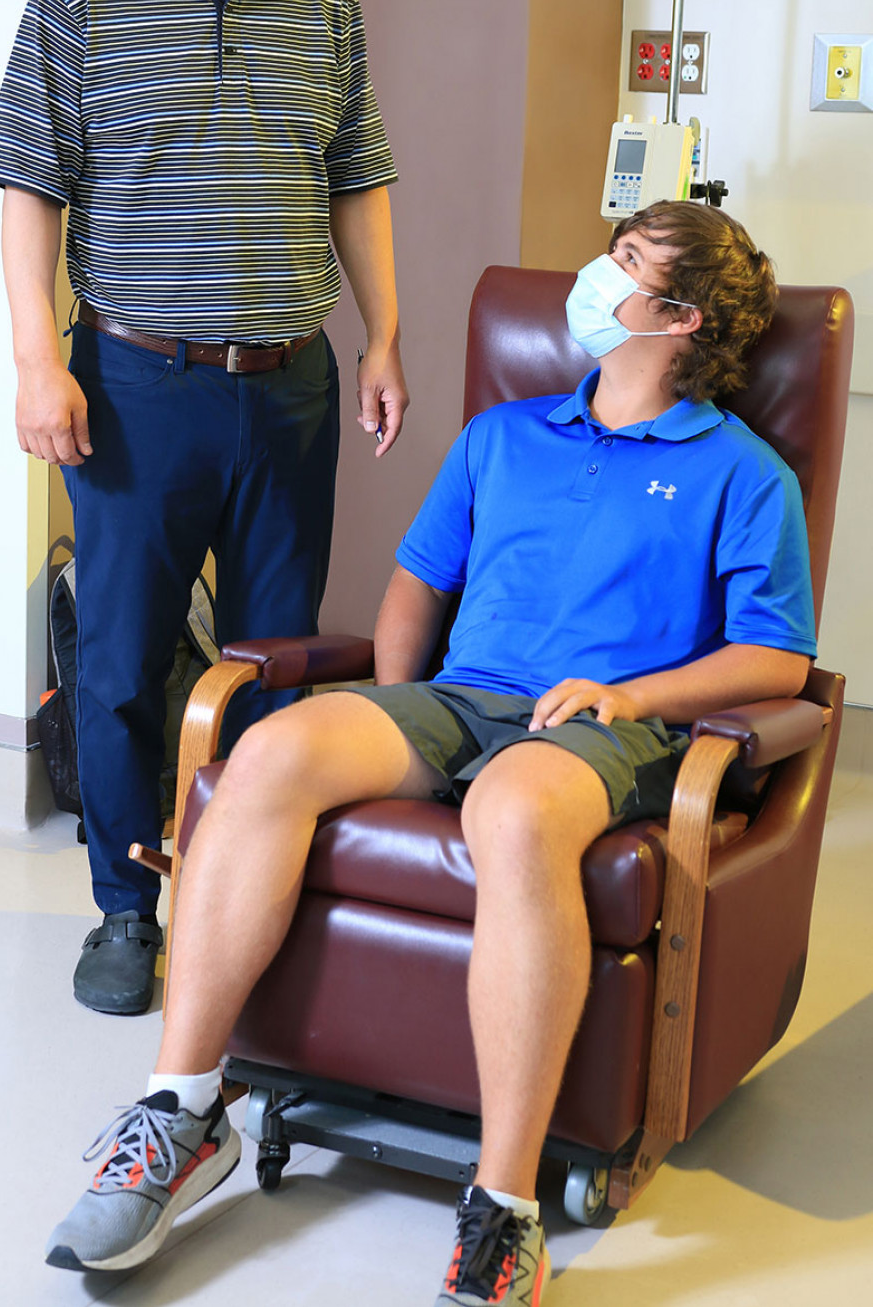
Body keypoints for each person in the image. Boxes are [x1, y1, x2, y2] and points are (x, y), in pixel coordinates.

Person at [45, 202, 817, 1304]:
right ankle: (182, 1111)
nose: (596, 275)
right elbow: (417, 583)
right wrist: (391, 722)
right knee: (267, 753)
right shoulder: (505, 435)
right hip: (460, 699)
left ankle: (502, 1208)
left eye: (628, 266)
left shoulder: (741, 475)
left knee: (509, 809)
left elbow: (775, 660)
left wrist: (627, 691)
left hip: (614, 726)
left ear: (681, 318)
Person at [0, 0, 408, 1016]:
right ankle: (127, 907)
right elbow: (26, 187)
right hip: (135, 385)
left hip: (287, 383)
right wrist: (28, 360)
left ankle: (251, 891)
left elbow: (358, 176)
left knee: (276, 662)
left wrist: (383, 333)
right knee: (120, 663)